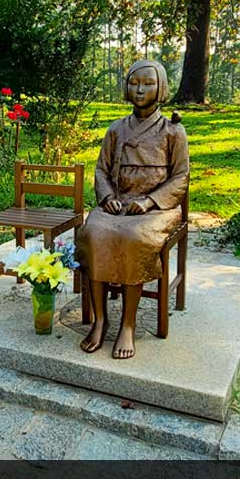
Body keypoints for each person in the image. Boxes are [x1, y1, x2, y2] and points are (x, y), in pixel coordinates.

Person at [74, 60, 189, 359]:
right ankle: (101, 319)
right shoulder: (116, 129)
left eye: (148, 83)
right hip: (118, 202)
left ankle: (128, 323)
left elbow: (181, 177)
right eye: (134, 82)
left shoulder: (173, 132)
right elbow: (101, 170)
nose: (140, 89)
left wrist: (150, 201)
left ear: (161, 87)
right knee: (94, 232)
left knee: (134, 239)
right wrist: (108, 195)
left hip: (155, 209)